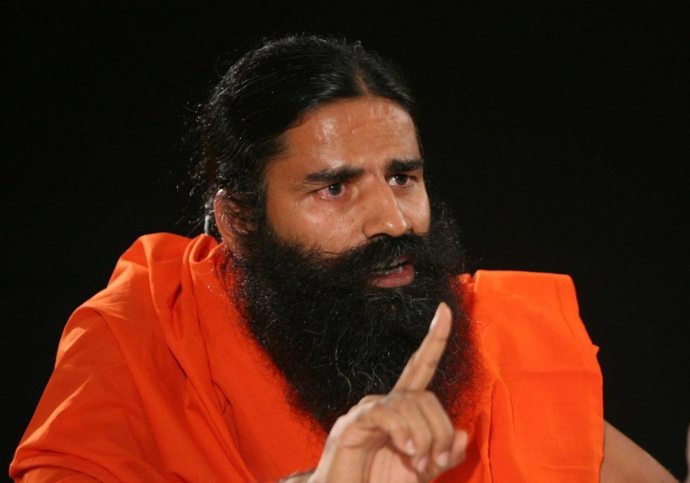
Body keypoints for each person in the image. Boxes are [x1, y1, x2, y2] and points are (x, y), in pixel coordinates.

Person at [10, 35, 678, 482]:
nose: (392, 221)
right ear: (240, 221)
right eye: (334, 188)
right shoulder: (146, 329)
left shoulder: (487, 337)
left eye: (402, 178)